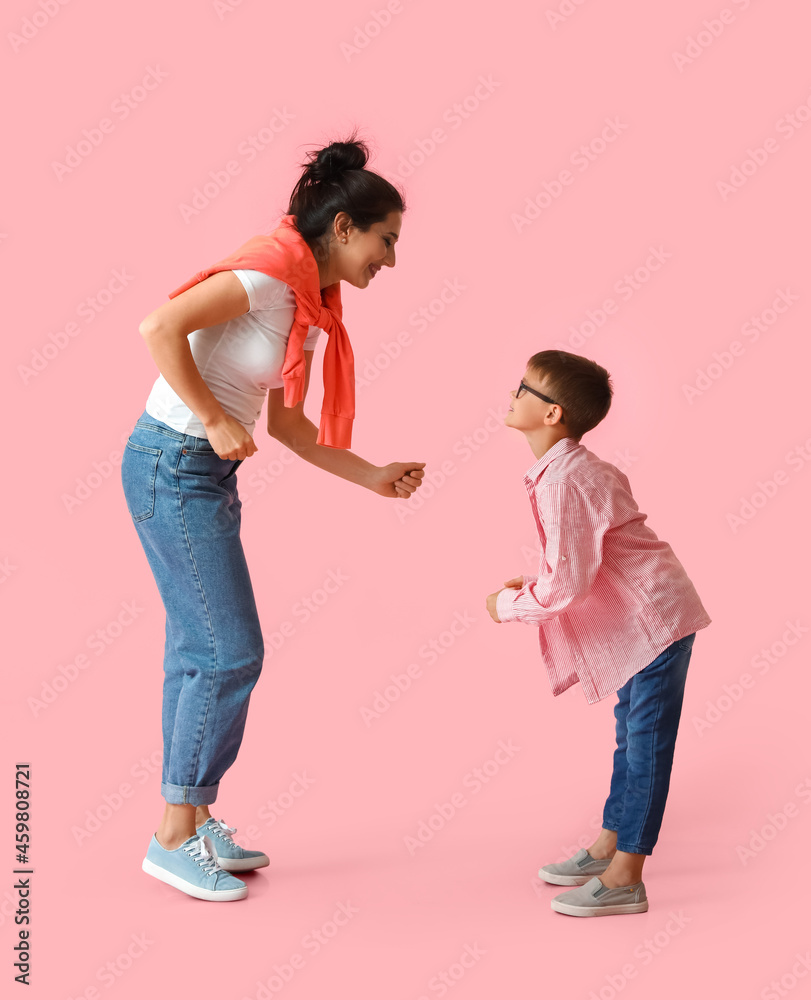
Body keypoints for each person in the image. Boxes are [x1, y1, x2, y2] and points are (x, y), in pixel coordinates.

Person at [120, 134, 425, 902]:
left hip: (202, 471)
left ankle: (192, 821)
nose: (390, 258)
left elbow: (289, 428)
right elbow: (159, 327)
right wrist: (214, 418)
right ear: (345, 228)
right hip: (172, 460)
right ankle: (169, 836)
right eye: (386, 239)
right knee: (228, 653)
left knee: (199, 652)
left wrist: (372, 475)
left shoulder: (309, 306)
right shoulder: (266, 277)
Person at [486, 350, 711, 917]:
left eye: (524, 388)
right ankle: (608, 844)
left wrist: (510, 604)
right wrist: (539, 579)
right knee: (629, 738)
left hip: (653, 620)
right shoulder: (561, 470)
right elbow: (581, 557)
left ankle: (626, 877)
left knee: (646, 745)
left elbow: (568, 585)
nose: (512, 394)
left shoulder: (567, 477)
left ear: (552, 413)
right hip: (632, 625)